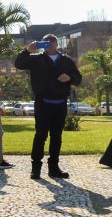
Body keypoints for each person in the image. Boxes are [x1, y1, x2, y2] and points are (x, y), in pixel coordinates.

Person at [16, 35, 81, 179]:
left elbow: (78, 78)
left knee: (56, 136)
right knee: (40, 135)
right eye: (47, 42)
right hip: (42, 103)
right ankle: (36, 168)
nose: (50, 45)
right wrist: (27, 50)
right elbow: (19, 64)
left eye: (53, 42)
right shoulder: (36, 59)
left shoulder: (66, 60)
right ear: (42, 44)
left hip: (60, 103)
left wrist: (69, 78)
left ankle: (54, 168)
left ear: (57, 44)